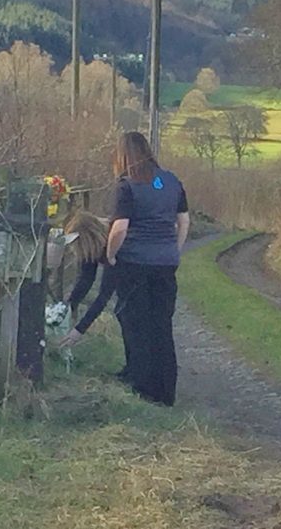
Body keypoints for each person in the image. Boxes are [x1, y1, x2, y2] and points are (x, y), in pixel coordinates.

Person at [107, 131, 190, 406]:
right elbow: (184, 220)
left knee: (136, 324)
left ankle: (140, 385)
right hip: (165, 264)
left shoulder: (127, 186)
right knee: (161, 326)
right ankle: (166, 391)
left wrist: (110, 254)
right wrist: (174, 249)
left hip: (135, 263)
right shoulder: (171, 181)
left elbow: (120, 227)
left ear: (123, 156)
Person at [58, 212, 128, 377]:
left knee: (127, 314)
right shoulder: (90, 249)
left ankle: (136, 373)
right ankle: (130, 370)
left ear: (87, 241)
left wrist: (79, 330)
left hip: (136, 272)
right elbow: (85, 280)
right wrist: (67, 307)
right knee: (124, 314)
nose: (74, 252)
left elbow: (104, 295)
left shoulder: (113, 245)